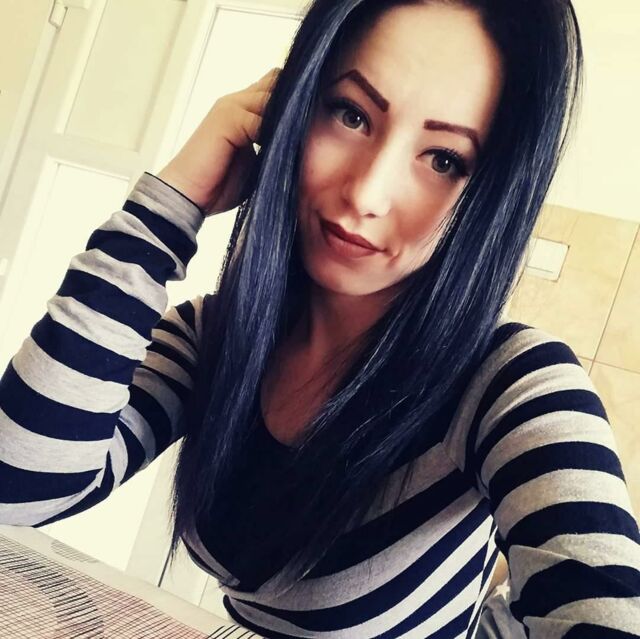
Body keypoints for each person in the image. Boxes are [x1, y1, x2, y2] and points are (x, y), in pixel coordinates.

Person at [1, 0, 639, 637]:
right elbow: (20, 484)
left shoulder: (511, 386)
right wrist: (173, 201)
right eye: (351, 115)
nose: (366, 193)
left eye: (444, 159)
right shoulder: (216, 337)